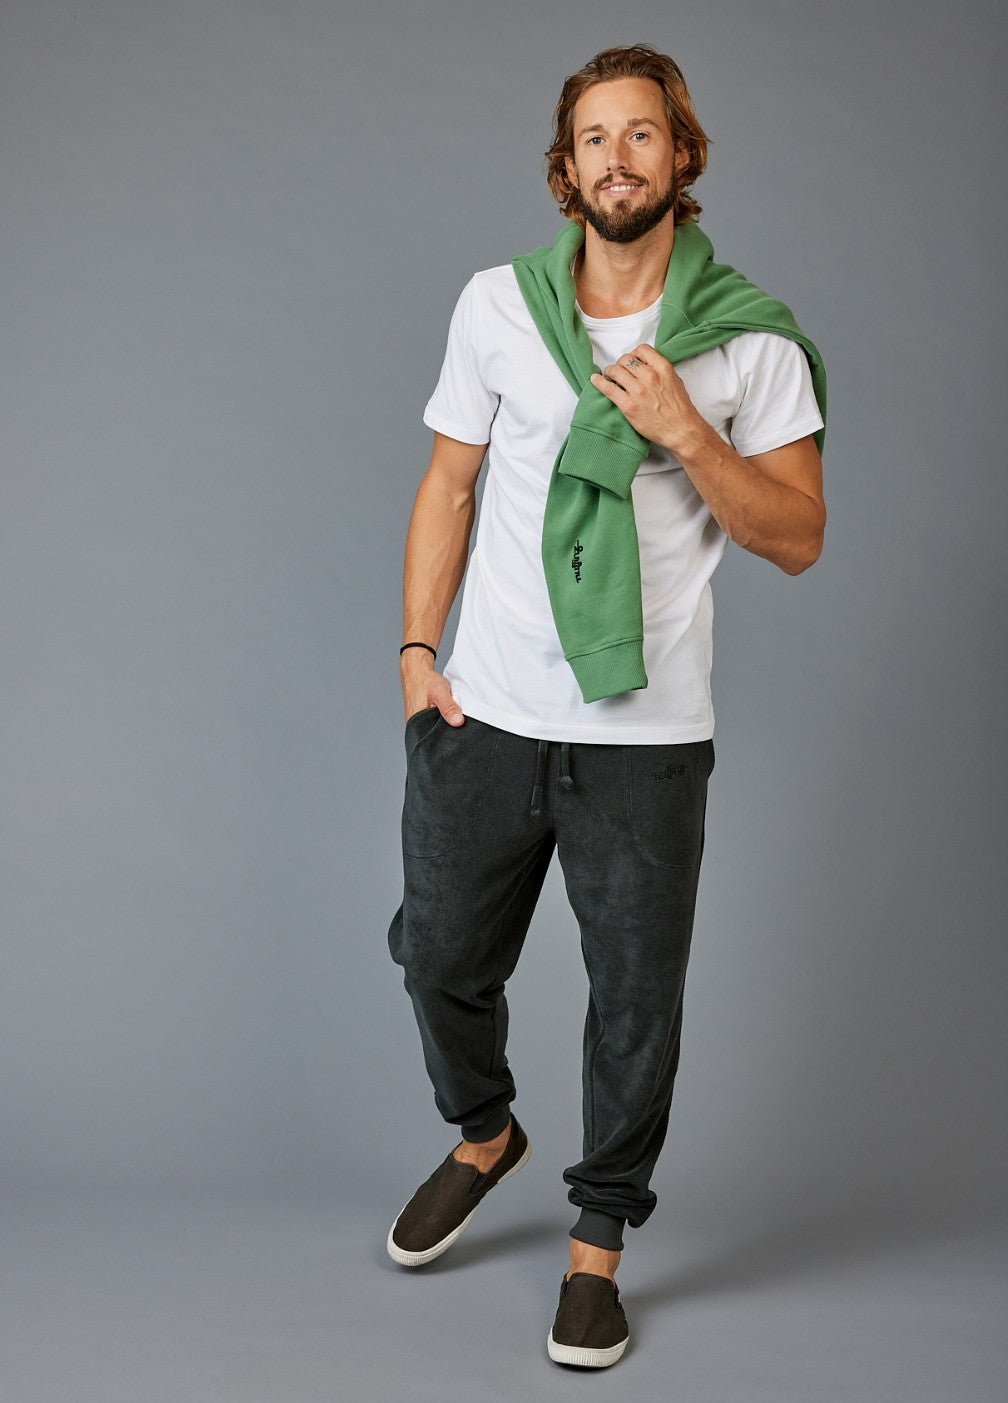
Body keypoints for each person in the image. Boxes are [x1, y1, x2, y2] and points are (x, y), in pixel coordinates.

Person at [385, 42, 827, 1369]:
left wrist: (689, 432)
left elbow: (798, 537)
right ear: (565, 168)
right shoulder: (497, 306)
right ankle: (485, 1135)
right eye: (595, 138)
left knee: (635, 1003)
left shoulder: (749, 338)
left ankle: (596, 1251)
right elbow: (449, 483)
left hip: (646, 737)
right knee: (439, 956)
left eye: (643, 135)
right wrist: (416, 651)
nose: (618, 159)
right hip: (485, 712)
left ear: (681, 156)